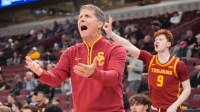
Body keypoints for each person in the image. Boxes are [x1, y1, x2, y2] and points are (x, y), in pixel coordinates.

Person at [25, 4, 126, 112]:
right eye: (80, 17)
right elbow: (55, 78)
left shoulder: (116, 49)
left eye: (87, 16)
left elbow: (114, 78)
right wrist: (40, 73)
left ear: (99, 23)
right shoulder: (71, 52)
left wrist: (94, 73)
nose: (81, 19)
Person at [103, 16, 191, 112]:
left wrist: (175, 105)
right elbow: (128, 45)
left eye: (160, 39)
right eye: (156, 40)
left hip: (172, 109)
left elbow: (187, 89)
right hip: (154, 109)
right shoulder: (149, 59)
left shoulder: (178, 64)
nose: (157, 41)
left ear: (168, 44)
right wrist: (111, 33)